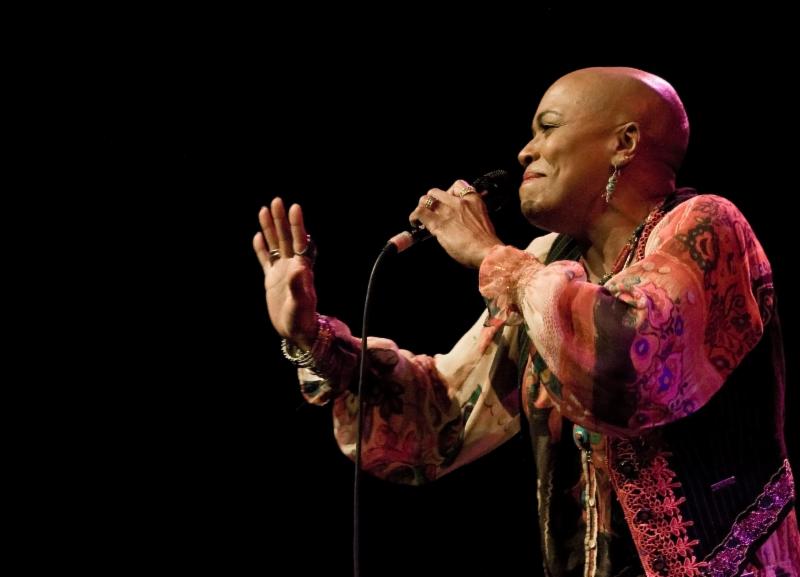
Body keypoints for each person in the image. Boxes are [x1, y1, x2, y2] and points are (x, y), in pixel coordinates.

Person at [253, 67, 799, 577]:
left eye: (548, 127)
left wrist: (490, 255)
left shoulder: (708, 226)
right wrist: (312, 340)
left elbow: (628, 364)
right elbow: (443, 417)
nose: (525, 150)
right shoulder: (544, 267)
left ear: (625, 143)